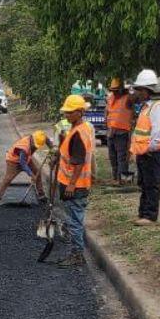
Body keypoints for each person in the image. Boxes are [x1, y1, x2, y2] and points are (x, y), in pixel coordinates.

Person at [55, 95, 94, 268]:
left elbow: (78, 162)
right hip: (73, 184)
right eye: (66, 112)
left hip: (75, 186)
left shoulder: (78, 133)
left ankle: (77, 254)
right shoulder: (80, 128)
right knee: (74, 219)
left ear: (80, 112)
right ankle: (76, 252)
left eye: (70, 113)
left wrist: (71, 184)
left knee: (74, 222)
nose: (67, 115)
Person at [129, 69, 160, 226]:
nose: (137, 93)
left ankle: (150, 215)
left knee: (152, 185)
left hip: (152, 153)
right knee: (144, 184)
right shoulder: (147, 106)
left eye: (139, 90)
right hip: (144, 153)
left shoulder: (157, 107)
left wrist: (146, 150)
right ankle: (143, 213)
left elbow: (157, 135)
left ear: (146, 90)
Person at [0, 130, 50, 205]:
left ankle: (41, 195)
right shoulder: (24, 147)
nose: (35, 147)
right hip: (13, 160)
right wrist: (31, 175)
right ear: (32, 139)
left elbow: (47, 140)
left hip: (27, 158)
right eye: (35, 145)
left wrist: (52, 149)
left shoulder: (40, 137)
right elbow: (22, 163)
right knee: (8, 179)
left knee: (37, 173)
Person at [105, 77, 133, 184]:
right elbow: (108, 112)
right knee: (112, 157)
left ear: (121, 89)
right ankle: (115, 177)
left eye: (116, 90)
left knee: (121, 157)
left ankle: (122, 179)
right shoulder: (111, 98)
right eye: (113, 90)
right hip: (111, 132)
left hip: (122, 132)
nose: (114, 92)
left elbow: (135, 97)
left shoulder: (127, 98)